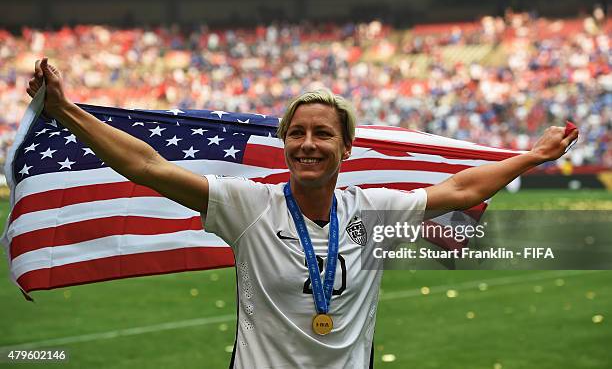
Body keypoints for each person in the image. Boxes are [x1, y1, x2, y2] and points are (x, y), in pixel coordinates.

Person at [27, 58, 578, 368]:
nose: (307, 143)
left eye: (322, 133)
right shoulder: (248, 205)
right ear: (285, 144)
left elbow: (459, 190)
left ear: (346, 149)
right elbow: (149, 166)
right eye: (296, 133)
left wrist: (533, 155)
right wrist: (66, 111)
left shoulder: (372, 208)